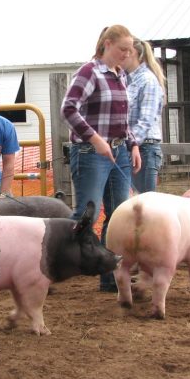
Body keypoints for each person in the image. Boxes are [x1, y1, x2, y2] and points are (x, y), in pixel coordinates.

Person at [60, 25, 141, 292]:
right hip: (90, 152)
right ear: (107, 44)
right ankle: (53, 265)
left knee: (118, 215)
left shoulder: (121, 75)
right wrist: (95, 139)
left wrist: (133, 146)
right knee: (85, 214)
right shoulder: (89, 71)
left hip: (118, 151)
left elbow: (123, 119)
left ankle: (108, 275)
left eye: (130, 50)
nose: (127, 54)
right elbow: (68, 108)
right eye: (123, 49)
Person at [124, 37, 166, 193]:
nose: (122, 55)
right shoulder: (125, 80)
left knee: (143, 202)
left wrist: (130, 143)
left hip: (144, 147)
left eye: (126, 51)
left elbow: (146, 120)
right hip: (132, 147)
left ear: (136, 54)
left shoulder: (147, 80)